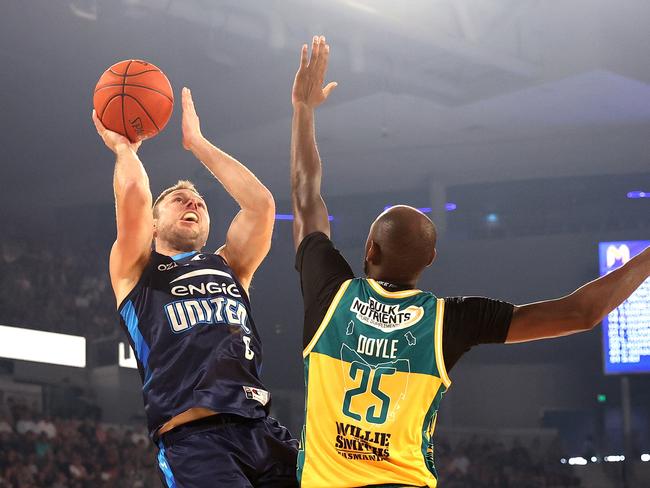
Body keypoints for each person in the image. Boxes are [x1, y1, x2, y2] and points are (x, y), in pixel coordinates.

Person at [290, 35, 650, 488]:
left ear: (369, 251)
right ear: (431, 260)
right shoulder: (449, 320)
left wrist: (303, 108)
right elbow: (582, 313)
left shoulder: (331, 293)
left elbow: (306, 195)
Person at [93, 87, 298, 487]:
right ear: (153, 225)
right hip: (196, 441)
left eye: (200, 204)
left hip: (261, 430)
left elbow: (260, 206)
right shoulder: (137, 269)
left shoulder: (230, 265)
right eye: (180, 200)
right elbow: (134, 194)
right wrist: (124, 151)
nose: (193, 205)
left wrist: (198, 144)